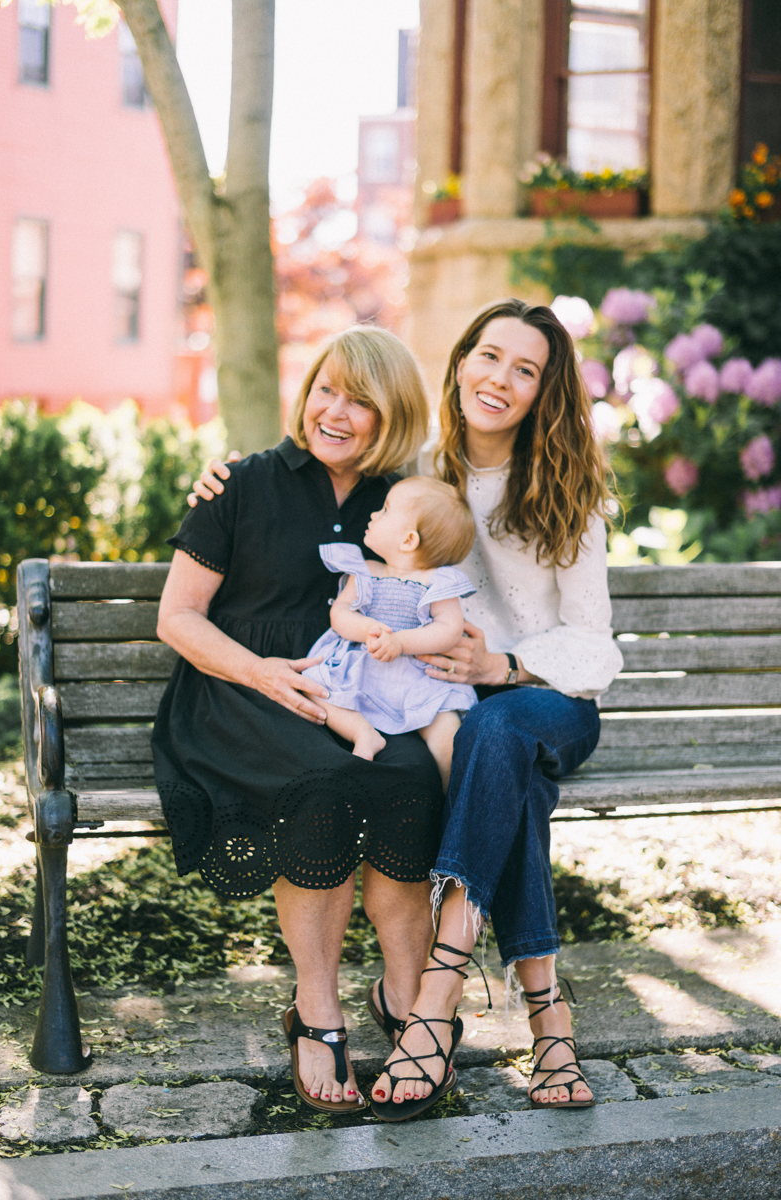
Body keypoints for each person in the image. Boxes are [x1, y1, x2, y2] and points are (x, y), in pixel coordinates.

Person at [189, 298, 624, 1122]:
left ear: (544, 392)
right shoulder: (419, 471)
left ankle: (437, 993)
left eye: (525, 369)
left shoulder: (572, 490)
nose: (499, 378)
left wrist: (508, 663)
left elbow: (595, 644)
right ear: (460, 361)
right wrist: (222, 476)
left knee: (500, 730)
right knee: (499, 761)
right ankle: (546, 1019)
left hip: (549, 699)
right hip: (459, 705)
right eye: (489, 356)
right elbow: (332, 494)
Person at [152, 325, 446, 1116]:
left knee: (413, 776)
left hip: (354, 694)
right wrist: (259, 672)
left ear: (395, 417)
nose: (335, 411)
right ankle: (317, 1009)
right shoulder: (242, 483)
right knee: (322, 783)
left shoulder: (403, 502)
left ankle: (408, 998)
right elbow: (177, 618)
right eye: (326, 389)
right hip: (235, 691)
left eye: (361, 400)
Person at [302, 477, 477, 790]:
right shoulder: (366, 571)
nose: (373, 515)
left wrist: (401, 642)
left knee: (449, 736)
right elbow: (339, 613)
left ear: (409, 540)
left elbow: (450, 630)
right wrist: (366, 628)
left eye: (384, 511)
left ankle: (455, 802)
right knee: (315, 691)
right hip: (363, 669)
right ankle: (362, 733)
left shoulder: (440, 582)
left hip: (419, 679)